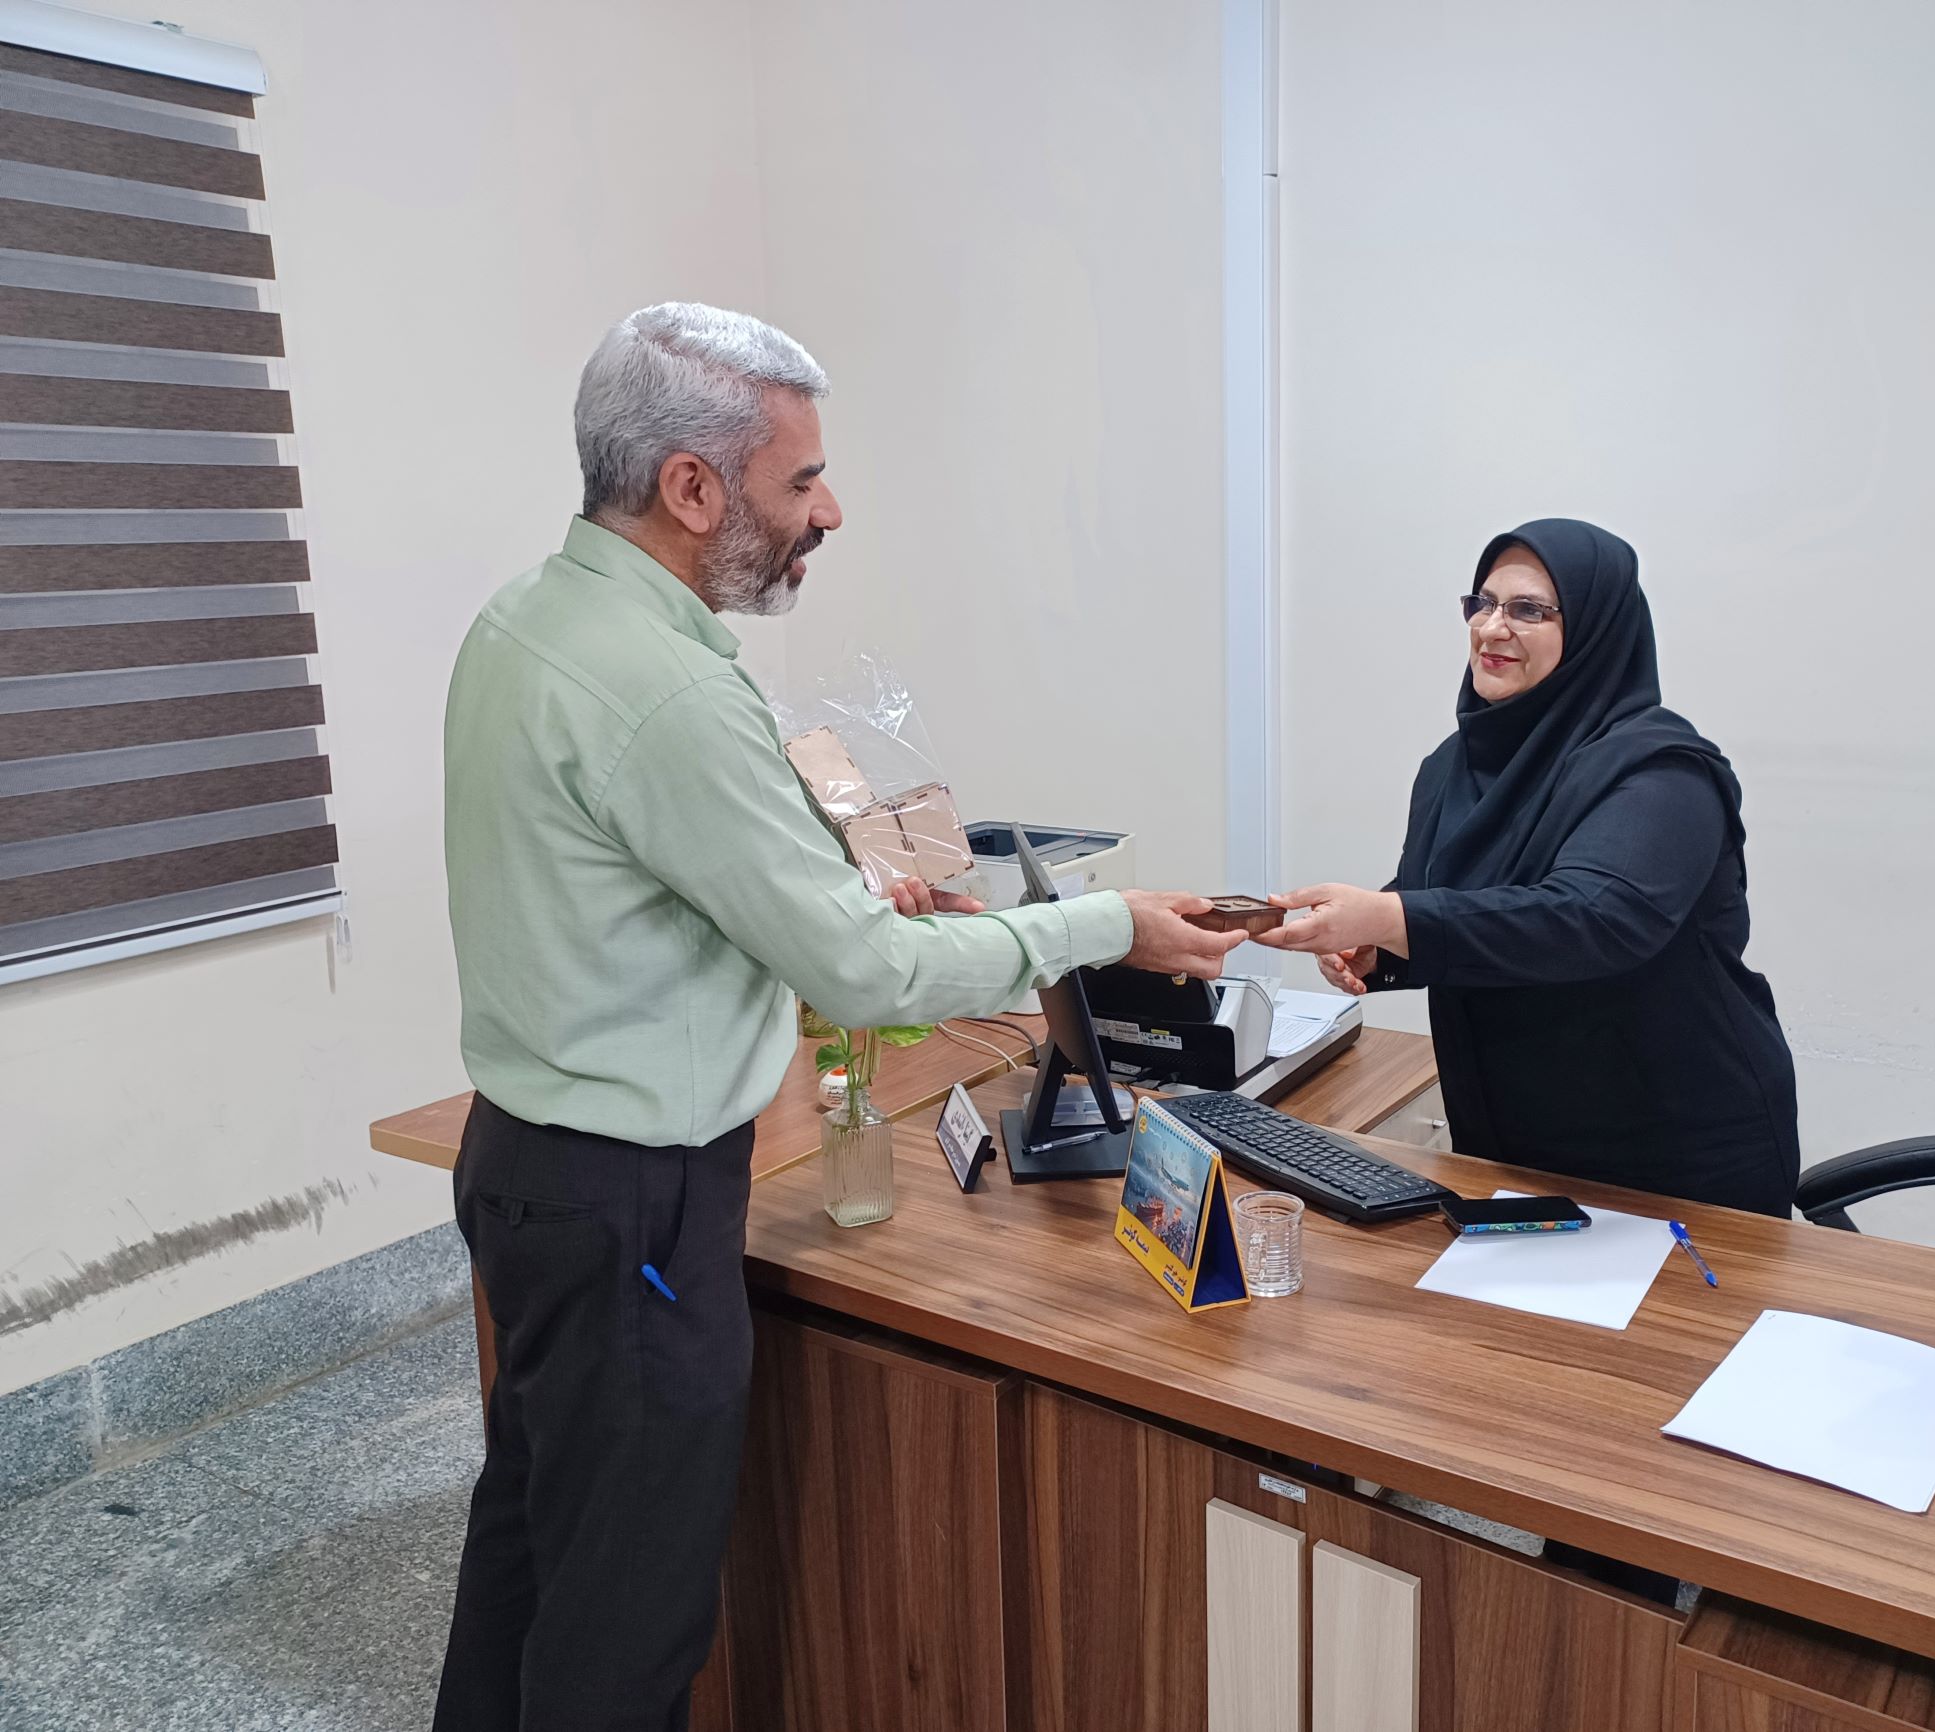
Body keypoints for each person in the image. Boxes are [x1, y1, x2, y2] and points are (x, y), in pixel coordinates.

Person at [434, 302, 1243, 1732]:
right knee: (624, 1629)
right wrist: (1108, 925)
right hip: (632, 1208)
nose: (830, 510)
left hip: (525, 1167)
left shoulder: (527, 622)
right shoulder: (667, 690)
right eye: (800, 479)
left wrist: (829, 891)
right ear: (692, 487)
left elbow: (641, 887)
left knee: (532, 1556)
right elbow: (867, 978)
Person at [1257, 517, 1798, 1218]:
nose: (1491, 628)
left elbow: (1594, 919)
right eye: (1481, 603)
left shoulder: (1660, 771)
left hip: (1671, 1153)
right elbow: (1440, 899)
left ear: (1596, 629)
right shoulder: (1452, 766)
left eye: (1528, 610)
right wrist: (1378, 948)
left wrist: (1393, 917)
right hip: (1508, 1137)